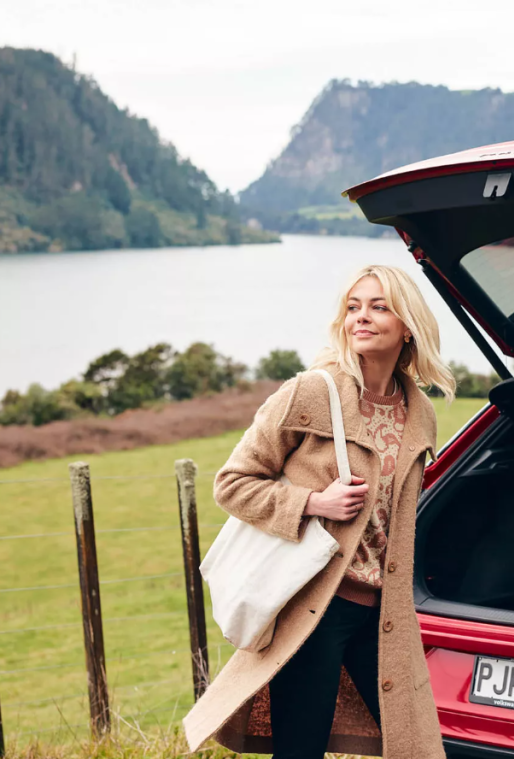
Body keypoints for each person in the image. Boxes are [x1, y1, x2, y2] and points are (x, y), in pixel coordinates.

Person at [183, 265, 455, 759]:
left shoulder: (419, 413)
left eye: (378, 306)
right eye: (354, 307)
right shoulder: (311, 391)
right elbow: (232, 483)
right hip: (317, 606)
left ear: (408, 324)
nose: (361, 318)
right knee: (301, 747)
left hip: (385, 610)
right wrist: (312, 503)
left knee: (414, 743)